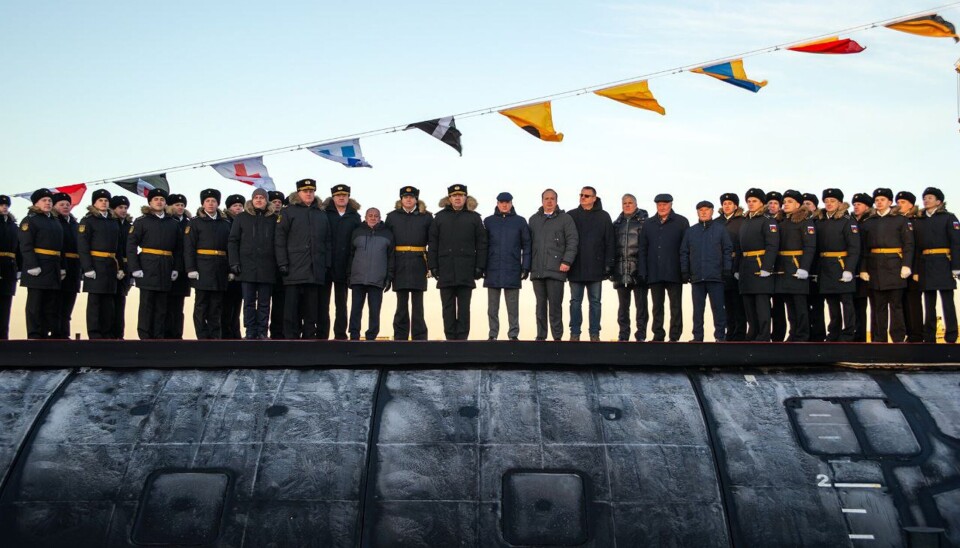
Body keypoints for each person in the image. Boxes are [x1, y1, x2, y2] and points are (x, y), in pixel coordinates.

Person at [428, 184, 487, 340]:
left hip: (466, 269)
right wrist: (432, 266)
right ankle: (449, 338)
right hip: (445, 268)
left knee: (464, 308)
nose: (458, 198)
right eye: (454, 195)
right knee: (447, 307)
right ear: (449, 198)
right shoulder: (439, 217)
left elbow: (482, 244)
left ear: (466, 197)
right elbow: (433, 243)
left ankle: (462, 339)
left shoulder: (474, 218)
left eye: (461, 195)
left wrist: (480, 266)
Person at [275, 178, 332, 339]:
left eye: (311, 191)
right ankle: (290, 337)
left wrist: (326, 263)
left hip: (315, 269)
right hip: (293, 268)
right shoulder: (288, 212)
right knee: (291, 307)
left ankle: (309, 336)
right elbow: (279, 240)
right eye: (305, 191)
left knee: (311, 308)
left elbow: (327, 241)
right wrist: (283, 263)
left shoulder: (321, 214)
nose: (308, 194)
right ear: (298, 193)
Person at [859, 188, 915, 343]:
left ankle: (897, 338)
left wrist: (907, 265)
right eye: (876, 199)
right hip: (874, 267)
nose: (879, 202)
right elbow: (864, 249)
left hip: (895, 266)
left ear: (890, 202)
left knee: (896, 306)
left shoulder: (901, 220)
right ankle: (879, 339)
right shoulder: (868, 223)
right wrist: (863, 269)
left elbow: (909, 245)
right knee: (878, 307)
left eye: (882, 199)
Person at [128, 188, 182, 340]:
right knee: (146, 304)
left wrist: (176, 268)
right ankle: (145, 336)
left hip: (166, 266)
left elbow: (178, 248)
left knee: (162, 306)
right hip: (147, 266)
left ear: (165, 203)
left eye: (162, 199)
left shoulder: (173, 223)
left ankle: (159, 336)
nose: (159, 202)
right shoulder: (141, 222)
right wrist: (135, 268)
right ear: (150, 202)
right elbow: (131, 246)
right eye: (156, 199)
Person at [528, 189, 578, 341]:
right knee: (540, 306)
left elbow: (572, 241)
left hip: (557, 269)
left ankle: (557, 338)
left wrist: (566, 261)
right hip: (537, 270)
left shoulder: (565, 219)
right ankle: (541, 337)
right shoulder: (533, 220)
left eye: (552, 198)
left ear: (556, 200)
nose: (549, 201)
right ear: (542, 200)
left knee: (555, 306)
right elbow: (528, 244)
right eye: (546, 198)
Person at [228, 188, 278, 340]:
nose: (258, 200)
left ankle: (262, 331)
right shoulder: (242, 217)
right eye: (256, 197)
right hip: (246, 266)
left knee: (264, 303)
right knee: (248, 302)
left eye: (261, 198)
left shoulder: (274, 218)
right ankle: (250, 331)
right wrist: (234, 262)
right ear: (252, 200)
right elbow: (233, 241)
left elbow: (279, 242)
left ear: (266, 200)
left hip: (267, 267)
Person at [639, 193, 690, 342]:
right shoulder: (648, 224)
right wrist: (643, 270)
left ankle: (674, 336)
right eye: (659, 204)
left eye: (665, 204)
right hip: (654, 271)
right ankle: (658, 335)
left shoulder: (681, 222)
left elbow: (686, 248)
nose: (662, 207)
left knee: (676, 306)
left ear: (671, 204)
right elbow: (643, 248)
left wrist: (685, 271)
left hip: (675, 271)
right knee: (657, 307)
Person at [680, 201, 733, 342]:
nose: (703, 212)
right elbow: (684, 252)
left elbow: (727, 250)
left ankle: (720, 336)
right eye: (700, 210)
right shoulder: (691, 231)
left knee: (718, 309)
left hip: (716, 276)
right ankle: (698, 337)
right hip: (697, 277)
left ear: (712, 211)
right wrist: (685, 271)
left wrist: (727, 268)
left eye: (706, 210)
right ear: (697, 212)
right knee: (698, 310)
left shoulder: (720, 229)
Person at [567, 186, 615, 341]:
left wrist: (609, 264)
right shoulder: (571, 215)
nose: (583, 197)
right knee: (575, 302)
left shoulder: (603, 216)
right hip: (575, 267)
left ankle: (594, 333)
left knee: (595, 302)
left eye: (587, 196)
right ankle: (575, 333)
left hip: (596, 267)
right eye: (581, 195)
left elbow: (610, 241)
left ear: (595, 198)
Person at [385, 186, 433, 340]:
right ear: (401, 199)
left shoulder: (426, 217)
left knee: (418, 304)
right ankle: (400, 336)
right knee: (401, 303)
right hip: (399, 262)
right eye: (405, 197)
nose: (408, 199)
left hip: (419, 262)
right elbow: (388, 243)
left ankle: (419, 336)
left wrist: (431, 266)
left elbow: (433, 242)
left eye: (411, 197)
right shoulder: (392, 217)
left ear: (416, 199)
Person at [483, 192, 531, 341]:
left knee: (513, 307)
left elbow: (527, 245)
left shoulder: (520, 221)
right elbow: (483, 246)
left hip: (512, 268)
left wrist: (525, 267)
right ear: (497, 203)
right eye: (501, 202)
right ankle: (492, 334)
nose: (504, 205)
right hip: (492, 268)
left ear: (511, 203)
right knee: (492, 308)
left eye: (507, 202)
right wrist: (482, 267)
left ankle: (513, 334)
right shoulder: (488, 221)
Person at [914, 187, 959, 343]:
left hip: (944, 262)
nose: (926, 200)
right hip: (926, 263)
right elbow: (916, 247)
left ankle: (952, 336)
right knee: (929, 303)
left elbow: (956, 243)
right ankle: (929, 337)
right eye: (925, 197)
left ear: (939, 201)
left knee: (947, 302)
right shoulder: (919, 220)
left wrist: (956, 266)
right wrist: (916, 269)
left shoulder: (949, 218)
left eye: (930, 198)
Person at [185, 189, 231, 339]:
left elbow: (230, 247)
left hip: (220, 267)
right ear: (202, 203)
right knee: (201, 305)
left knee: (216, 305)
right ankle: (202, 336)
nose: (211, 204)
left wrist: (231, 269)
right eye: (207, 201)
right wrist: (191, 268)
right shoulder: (195, 222)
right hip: (202, 268)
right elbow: (189, 247)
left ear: (218, 203)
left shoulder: (225, 223)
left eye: (213, 201)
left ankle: (215, 336)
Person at [816, 189, 861, 341]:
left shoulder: (848, 221)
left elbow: (854, 247)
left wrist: (849, 269)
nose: (829, 204)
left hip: (841, 265)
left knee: (846, 302)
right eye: (826, 201)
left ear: (840, 203)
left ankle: (848, 333)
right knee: (831, 303)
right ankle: (833, 333)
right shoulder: (820, 221)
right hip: (826, 266)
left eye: (832, 201)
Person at [19, 189, 64, 339]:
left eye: (50, 201)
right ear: (36, 203)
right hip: (37, 266)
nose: (48, 203)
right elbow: (25, 245)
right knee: (35, 303)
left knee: (50, 304)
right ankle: (34, 334)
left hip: (53, 266)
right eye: (44, 200)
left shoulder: (55, 220)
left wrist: (62, 266)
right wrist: (32, 265)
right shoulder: (30, 220)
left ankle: (45, 333)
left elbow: (60, 246)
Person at [77, 188, 122, 339]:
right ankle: (95, 334)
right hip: (95, 264)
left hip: (110, 265)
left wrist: (120, 267)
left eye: (106, 201)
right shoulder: (88, 221)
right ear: (94, 203)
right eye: (100, 200)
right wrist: (87, 267)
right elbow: (83, 246)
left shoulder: (113, 221)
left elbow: (119, 246)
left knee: (108, 302)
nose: (104, 203)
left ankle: (107, 333)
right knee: (95, 302)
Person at [320, 184, 361, 340]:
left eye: (344, 195)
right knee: (323, 303)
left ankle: (340, 334)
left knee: (341, 304)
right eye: (338, 195)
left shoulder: (354, 217)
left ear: (348, 197)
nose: (341, 198)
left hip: (344, 265)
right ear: (333, 197)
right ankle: (322, 334)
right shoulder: (324, 214)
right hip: (326, 264)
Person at [774, 190, 817, 342]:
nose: (785, 204)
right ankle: (793, 334)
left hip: (797, 266)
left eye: (790, 201)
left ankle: (803, 335)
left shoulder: (805, 221)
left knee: (800, 304)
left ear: (798, 204)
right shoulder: (782, 222)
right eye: (784, 201)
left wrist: (804, 267)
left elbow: (810, 246)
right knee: (789, 304)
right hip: (784, 268)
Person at [347, 208, 395, 340]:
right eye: (370, 215)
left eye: (376, 216)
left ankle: (371, 335)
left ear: (380, 218)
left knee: (374, 310)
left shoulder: (387, 234)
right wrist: (349, 274)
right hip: (358, 278)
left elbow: (391, 257)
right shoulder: (357, 232)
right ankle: (354, 334)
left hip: (377, 279)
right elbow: (350, 255)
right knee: (356, 309)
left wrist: (389, 277)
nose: (373, 218)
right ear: (365, 217)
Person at [738, 188, 779, 341]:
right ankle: (753, 332)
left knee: (761, 304)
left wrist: (767, 267)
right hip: (746, 265)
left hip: (760, 264)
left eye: (754, 201)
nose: (750, 204)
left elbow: (772, 245)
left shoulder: (768, 220)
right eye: (748, 201)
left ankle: (763, 334)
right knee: (748, 303)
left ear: (762, 202)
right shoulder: (746, 220)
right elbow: (740, 246)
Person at [612, 194, 649, 342]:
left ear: (636, 204)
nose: (627, 205)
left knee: (641, 306)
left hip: (639, 269)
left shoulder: (645, 223)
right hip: (620, 270)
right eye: (624, 203)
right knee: (623, 307)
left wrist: (645, 269)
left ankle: (641, 335)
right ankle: (623, 335)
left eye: (630, 203)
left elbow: (648, 247)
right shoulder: (616, 224)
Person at [895, 191, 924, 342]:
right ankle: (907, 332)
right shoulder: (896, 221)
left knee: (913, 302)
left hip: (913, 268)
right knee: (902, 301)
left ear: (911, 205)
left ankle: (917, 334)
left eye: (903, 202)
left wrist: (916, 269)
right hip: (898, 268)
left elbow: (917, 248)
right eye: (898, 202)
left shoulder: (916, 221)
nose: (899, 205)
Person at [718, 192, 746, 340]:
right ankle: (729, 332)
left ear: (736, 205)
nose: (727, 206)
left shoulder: (742, 221)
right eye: (724, 204)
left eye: (730, 203)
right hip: (721, 267)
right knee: (725, 303)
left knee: (738, 303)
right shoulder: (717, 222)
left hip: (736, 264)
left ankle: (739, 333)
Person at [52, 192, 81, 338]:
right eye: (61, 204)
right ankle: (56, 333)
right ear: (54, 206)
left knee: (69, 301)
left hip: (74, 266)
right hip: (59, 264)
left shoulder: (75, 224)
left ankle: (64, 332)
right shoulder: (54, 222)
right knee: (57, 302)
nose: (65, 207)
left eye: (67, 204)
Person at [164, 194, 191, 339]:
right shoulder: (167, 221)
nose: (180, 207)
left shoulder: (189, 223)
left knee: (178, 305)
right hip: (168, 266)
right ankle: (165, 333)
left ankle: (177, 333)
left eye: (182, 205)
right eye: (176, 204)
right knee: (165, 304)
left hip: (183, 269)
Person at [220, 194, 245, 339]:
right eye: (235, 206)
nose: (238, 208)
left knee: (237, 304)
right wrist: (230, 267)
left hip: (241, 270)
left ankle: (235, 332)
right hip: (228, 269)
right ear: (229, 207)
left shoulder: (244, 222)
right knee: (226, 305)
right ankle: (226, 333)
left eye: (240, 206)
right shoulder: (225, 222)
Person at [803, 192, 826, 342]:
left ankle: (818, 335)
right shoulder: (801, 222)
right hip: (803, 269)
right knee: (804, 305)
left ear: (815, 206)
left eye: (808, 204)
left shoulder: (820, 222)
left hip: (818, 269)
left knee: (817, 305)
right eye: (803, 204)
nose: (805, 207)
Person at [851, 193, 873, 342]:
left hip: (867, 268)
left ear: (867, 206)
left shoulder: (870, 222)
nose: (856, 206)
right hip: (852, 267)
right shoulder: (851, 222)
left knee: (862, 303)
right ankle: (853, 333)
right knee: (852, 303)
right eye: (854, 204)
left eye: (859, 204)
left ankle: (861, 336)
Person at [110, 195, 133, 339]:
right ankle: (108, 334)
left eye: (125, 208)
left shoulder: (130, 226)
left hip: (126, 266)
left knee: (121, 301)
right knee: (109, 302)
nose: (123, 210)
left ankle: (119, 334)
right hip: (112, 265)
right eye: (120, 207)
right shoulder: (111, 223)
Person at [765, 190, 787, 342]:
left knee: (779, 304)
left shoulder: (784, 221)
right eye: (770, 203)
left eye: (775, 203)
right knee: (764, 304)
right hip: (765, 266)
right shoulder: (763, 220)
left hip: (780, 267)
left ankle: (778, 335)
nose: (772, 206)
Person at [267, 190, 287, 339]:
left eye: (279, 202)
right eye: (274, 202)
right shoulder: (265, 219)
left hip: (282, 267)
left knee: (280, 303)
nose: (277, 204)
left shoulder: (285, 218)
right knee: (263, 302)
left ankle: (277, 332)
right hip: (267, 266)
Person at [0, 195, 19, 339]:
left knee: (5, 306)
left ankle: (3, 337)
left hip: (9, 268)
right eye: (1, 205)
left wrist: (20, 268)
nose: (4, 207)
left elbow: (18, 249)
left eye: (6, 205)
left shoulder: (13, 225)